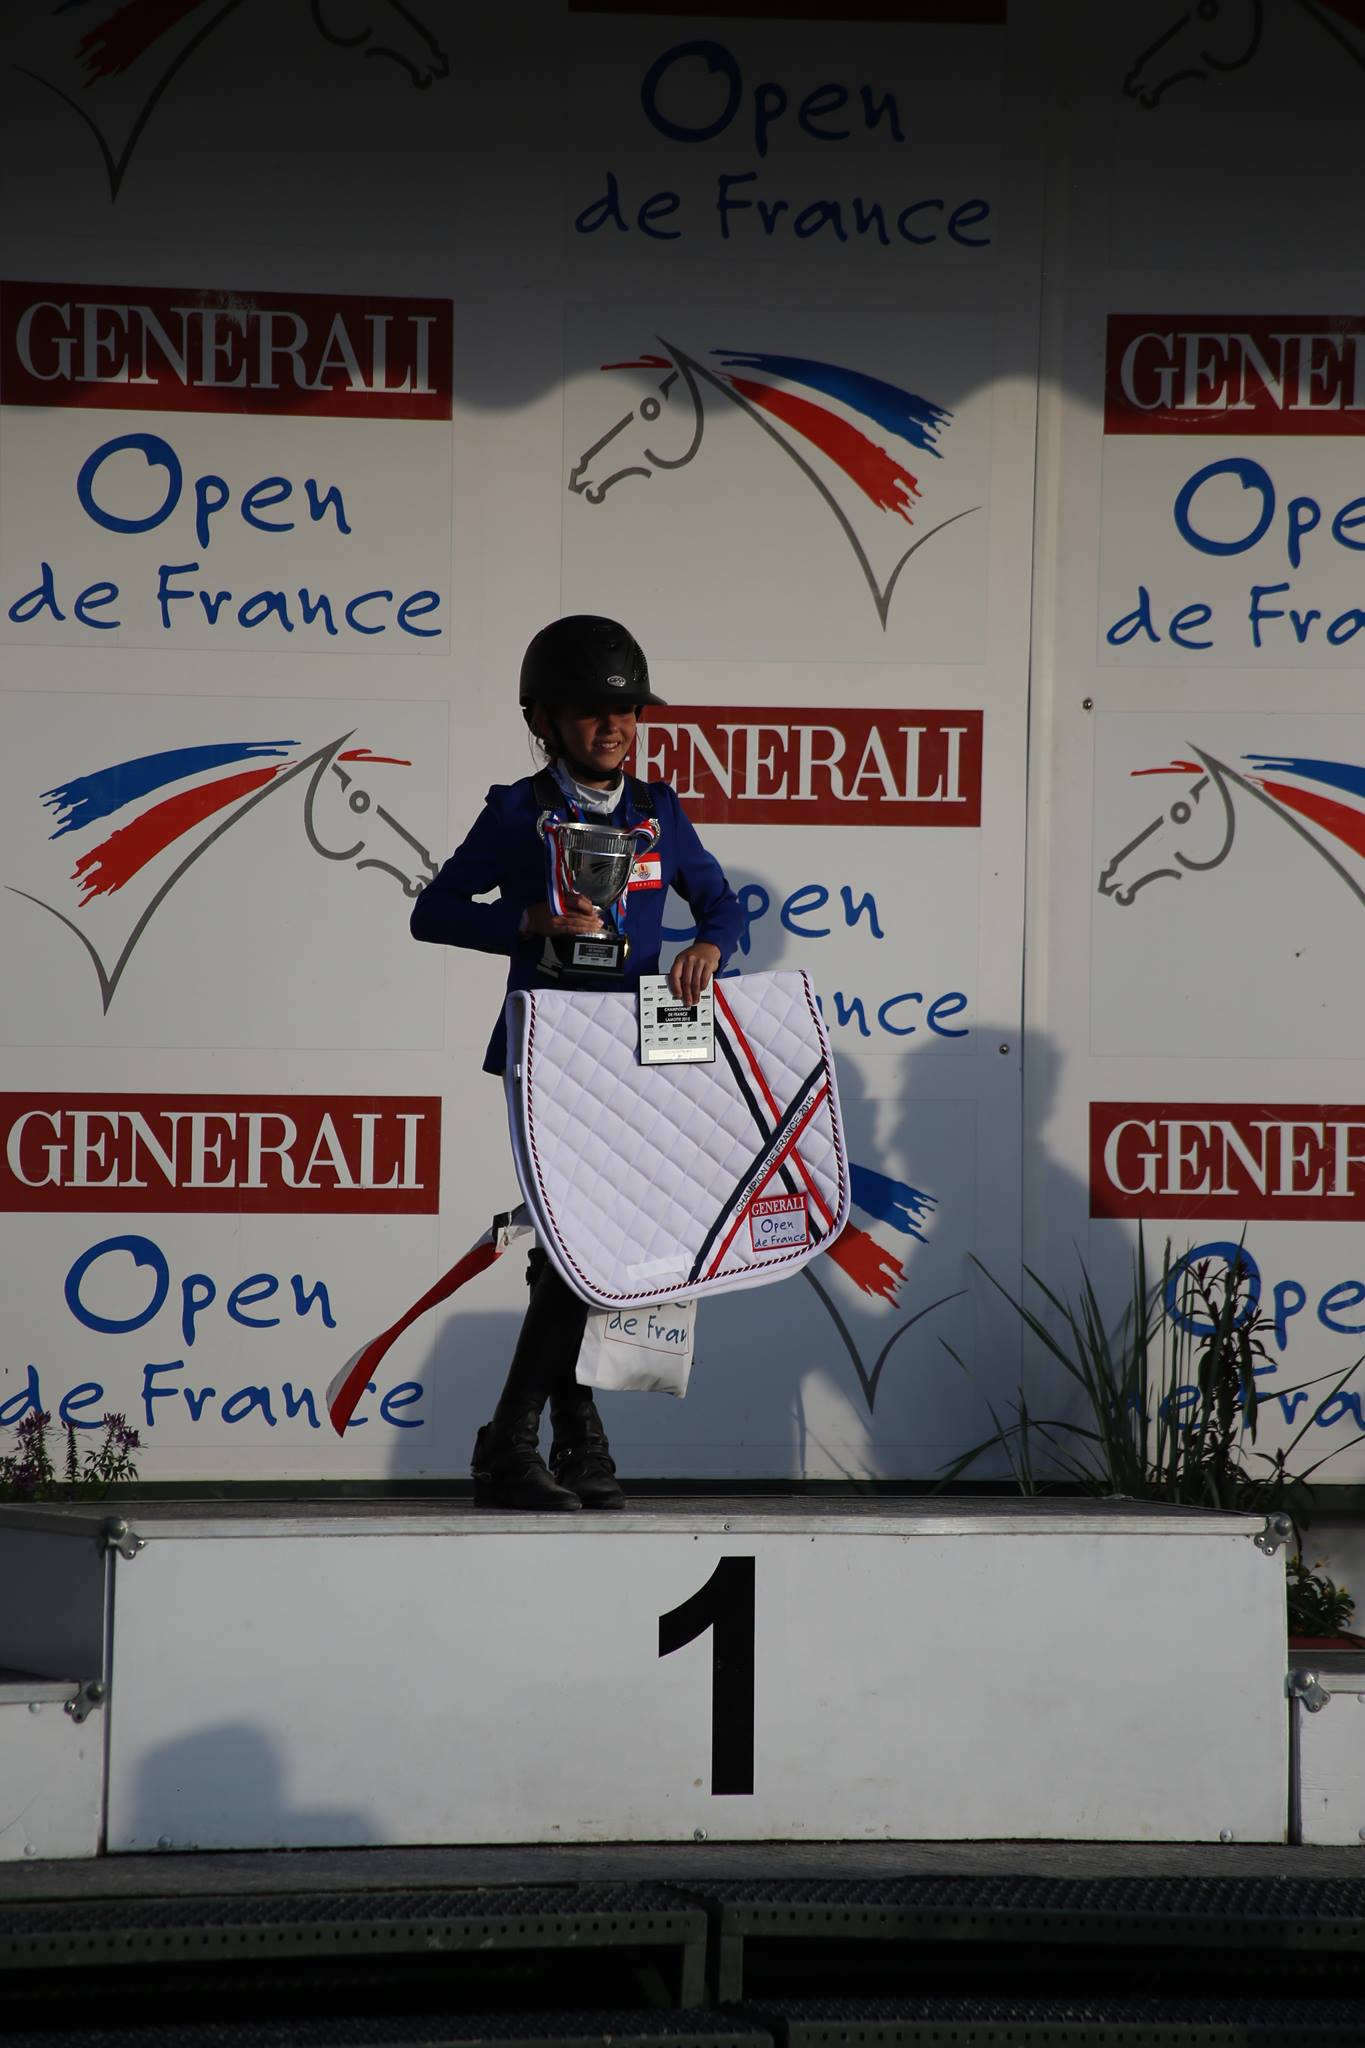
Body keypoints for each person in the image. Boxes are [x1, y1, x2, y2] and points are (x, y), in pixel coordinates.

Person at [410, 615, 744, 1511]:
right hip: (549, 1049)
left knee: (590, 1247)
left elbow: (722, 905)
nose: (613, 726)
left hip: (638, 1052)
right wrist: (524, 921)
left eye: (625, 710)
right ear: (543, 720)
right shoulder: (515, 811)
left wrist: (708, 946)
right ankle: (531, 1443)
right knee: (574, 1243)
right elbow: (432, 912)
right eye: (591, 711)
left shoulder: (659, 811)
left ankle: (558, 1440)